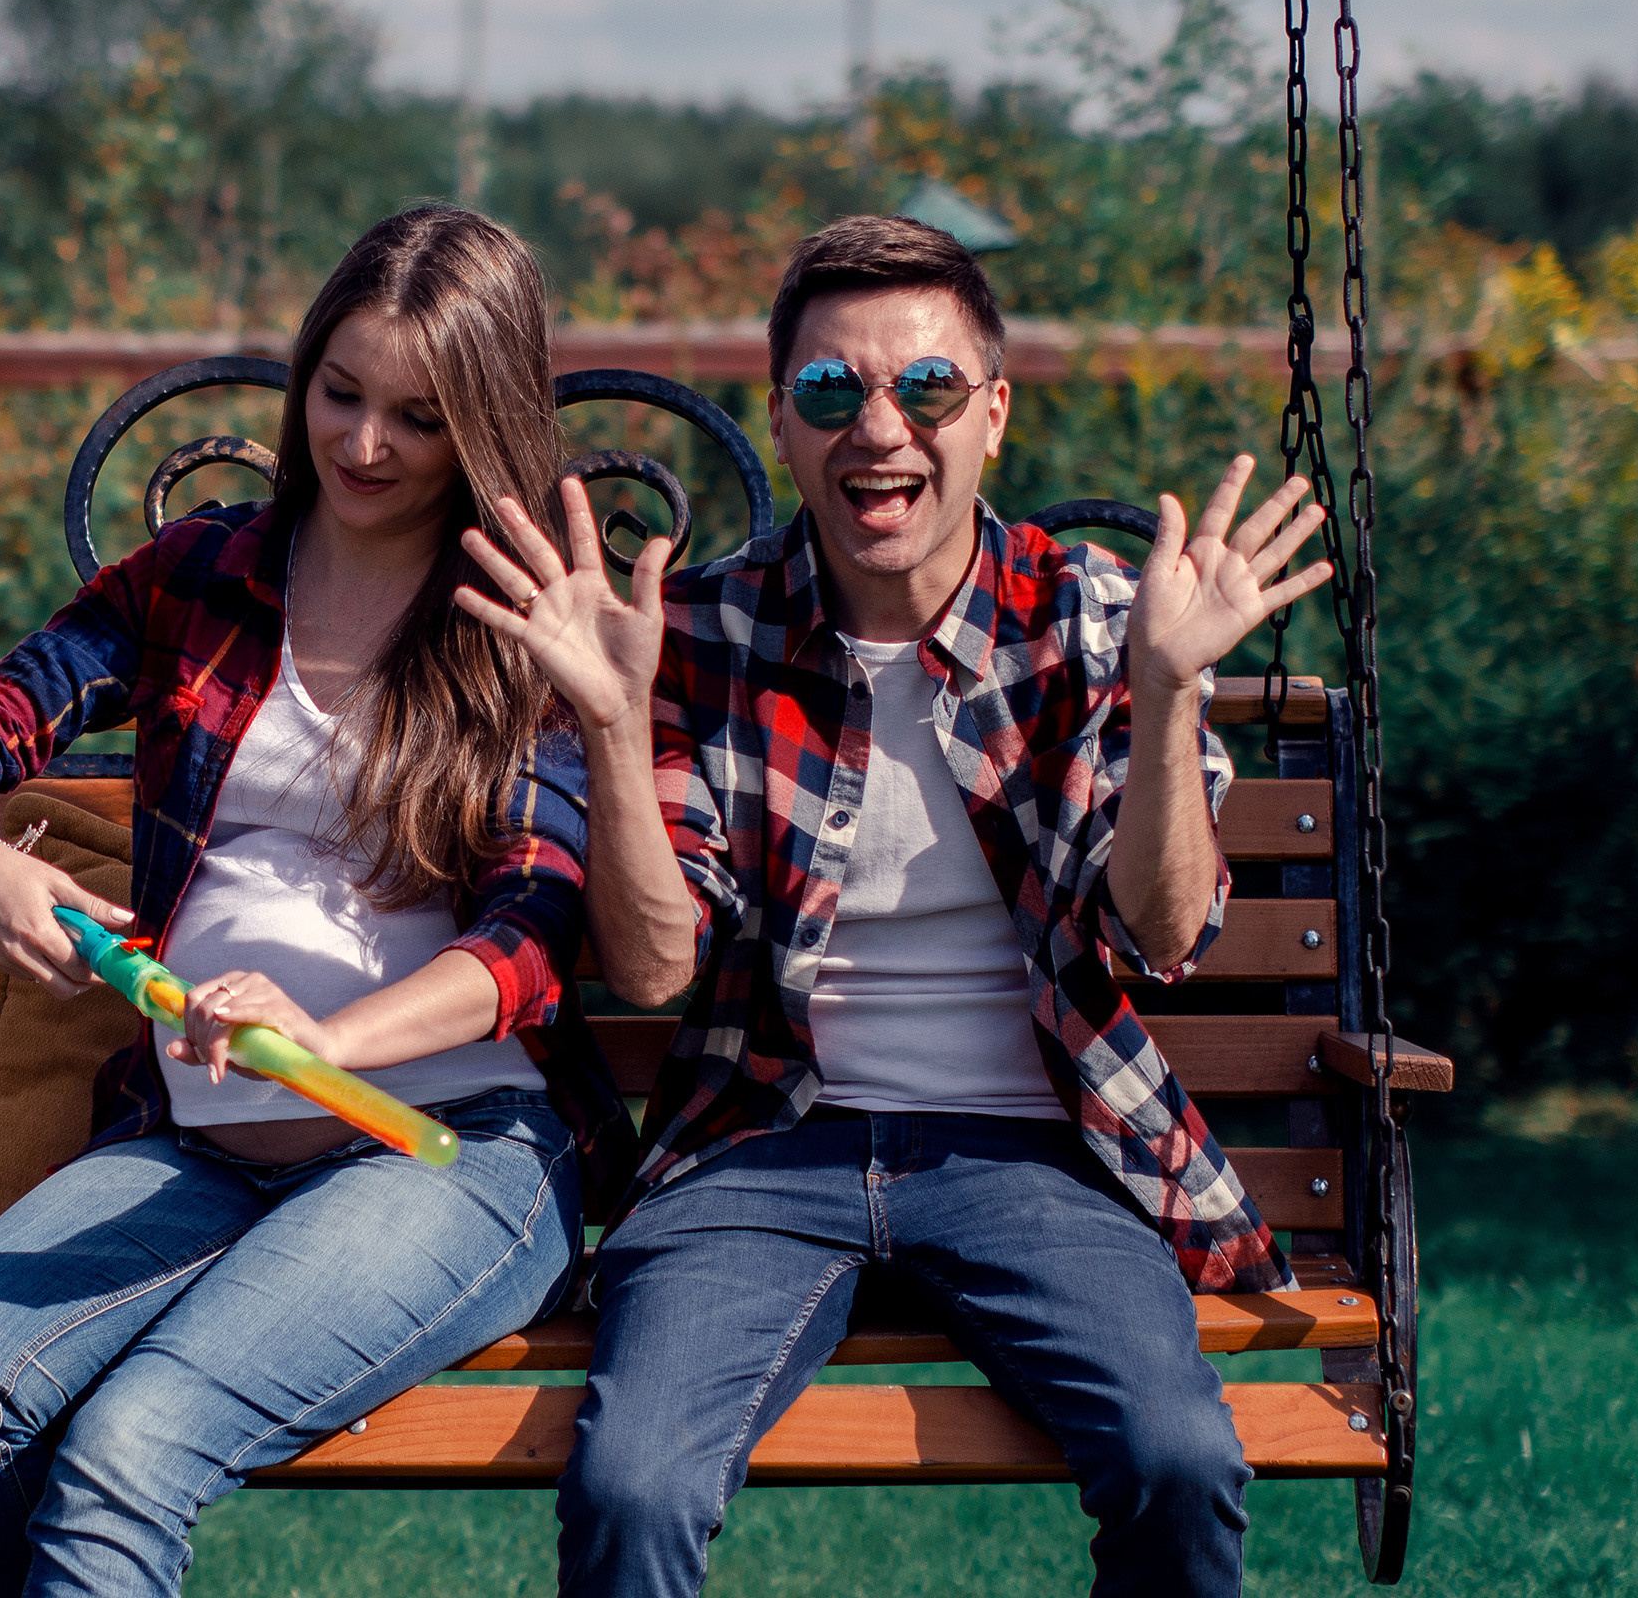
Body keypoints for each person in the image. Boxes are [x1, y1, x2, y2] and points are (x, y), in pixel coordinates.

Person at [454, 215, 1334, 1598]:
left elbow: (1163, 933)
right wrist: (612, 729)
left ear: (990, 412)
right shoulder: (701, 633)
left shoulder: (1097, 621)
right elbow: (654, 968)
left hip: (1034, 1154)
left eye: (925, 390)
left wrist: (1170, 695)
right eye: (831, 393)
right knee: (631, 1488)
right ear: (784, 421)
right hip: (765, 1150)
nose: (881, 431)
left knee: (1180, 1462)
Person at [0, 205, 633, 1598]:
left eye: (416, 416)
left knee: (132, 1448)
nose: (363, 446)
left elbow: (530, 942)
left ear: (483, 425)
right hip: (202, 1144)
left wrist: (332, 1040)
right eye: (340, 394)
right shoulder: (207, 572)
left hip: (446, 1152)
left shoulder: (525, 616)